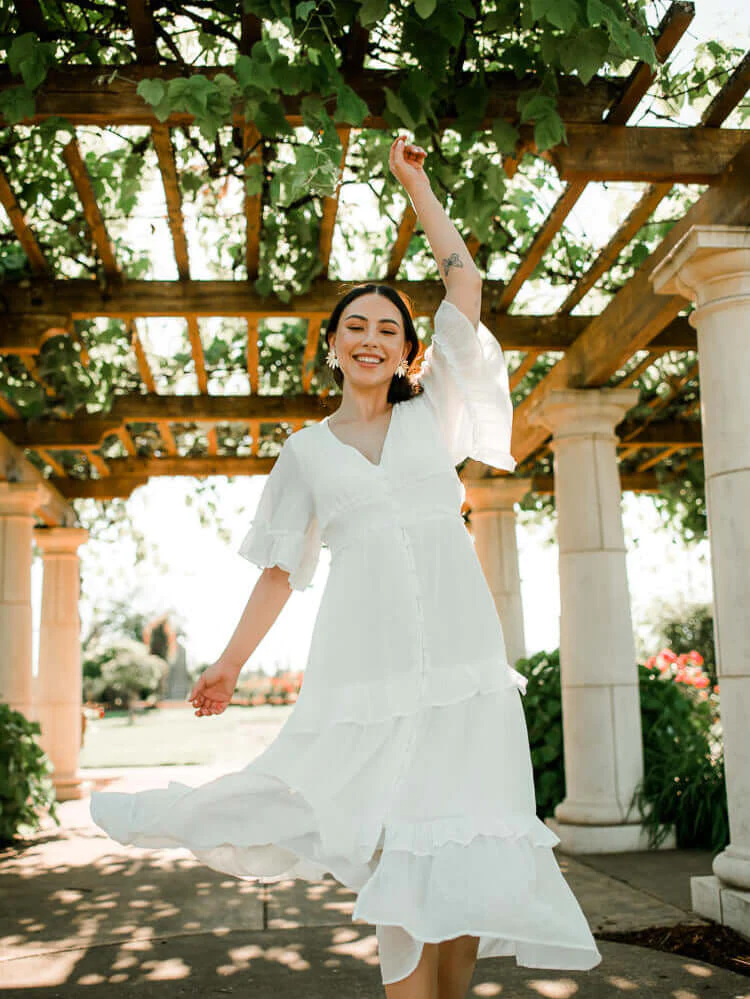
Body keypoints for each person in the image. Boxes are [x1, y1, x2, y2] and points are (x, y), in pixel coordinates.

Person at [90, 135, 602, 998]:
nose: (372, 338)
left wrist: (416, 181)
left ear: (408, 351)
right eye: (355, 327)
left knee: (470, 844)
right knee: (399, 845)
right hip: (370, 674)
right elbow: (281, 571)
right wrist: (226, 661)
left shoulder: (433, 413)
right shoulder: (306, 453)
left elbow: (465, 285)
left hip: (466, 669)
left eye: (388, 328)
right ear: (331, 346)